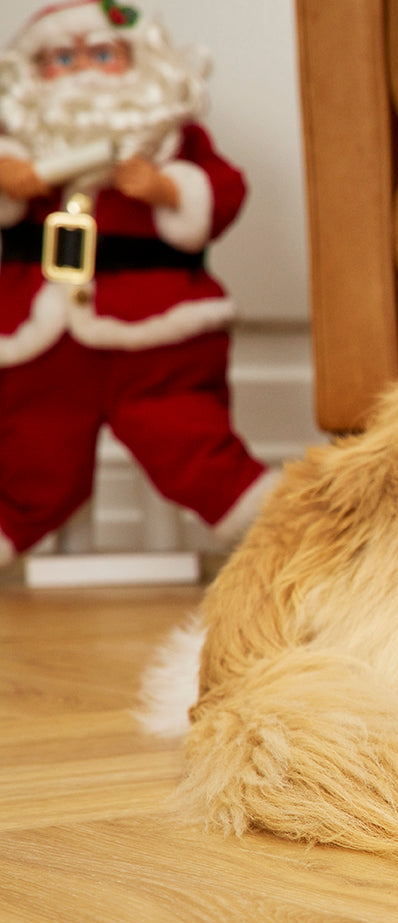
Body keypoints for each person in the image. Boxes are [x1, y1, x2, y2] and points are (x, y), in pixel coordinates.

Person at [0, 0, 274, 566]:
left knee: (190, 440)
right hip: (39, 342)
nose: (82, 71)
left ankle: (276, 530)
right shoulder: (17, 142)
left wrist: (168, 189)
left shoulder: (171, 140)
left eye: (102, 54)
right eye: (62, 59)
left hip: (159, 335)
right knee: (30, 456)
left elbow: (225, 193)